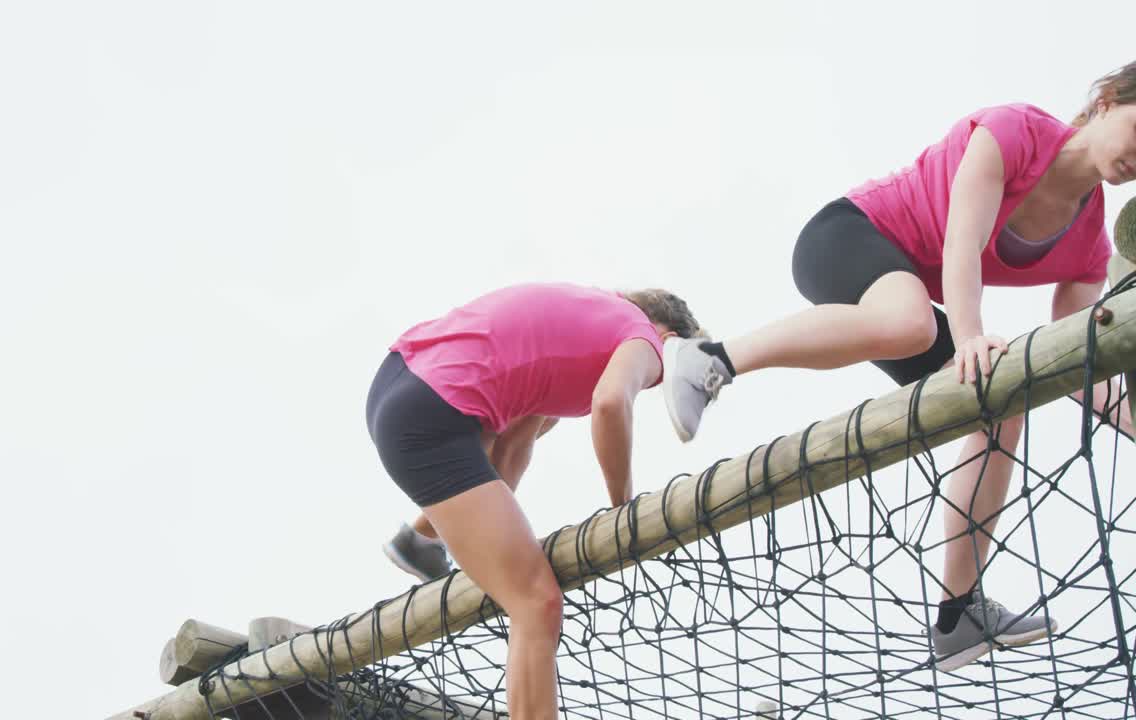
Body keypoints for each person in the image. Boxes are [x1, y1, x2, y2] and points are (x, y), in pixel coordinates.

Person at [665, 62, 1136, 672]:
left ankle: (958, 614)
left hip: (904, 294)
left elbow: (1083, 361)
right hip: (845, 237)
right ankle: (714, 359)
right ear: (1104, 101)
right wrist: (967, 336)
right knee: (916, 320)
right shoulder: (1013, 132)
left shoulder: (1091, 243)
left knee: (1001, 410)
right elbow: (962, 243)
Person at [367, 282, 704, 718]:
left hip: (399, 385)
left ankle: (423, 538)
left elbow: (510, 450)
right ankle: (426, 538)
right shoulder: (647, 338)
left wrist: (479, 532)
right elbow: (610, 403)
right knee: (536, 603)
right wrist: (625, 511)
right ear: (672, 338)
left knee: (503, 447)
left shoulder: (581, 324)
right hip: (435, 415)